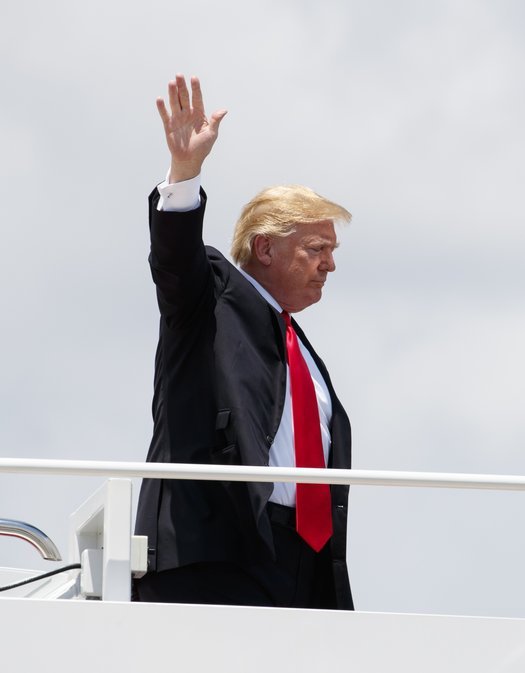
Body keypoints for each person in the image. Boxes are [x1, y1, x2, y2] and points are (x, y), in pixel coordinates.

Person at [133, 74, 354, 609]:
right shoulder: (210, 297)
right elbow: (175, 259)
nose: (329, 264)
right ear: (265, 248)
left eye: (332, 251)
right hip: (215, 555)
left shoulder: (301, 351)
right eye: (317, 248)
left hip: (303, 565)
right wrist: (184, 172)